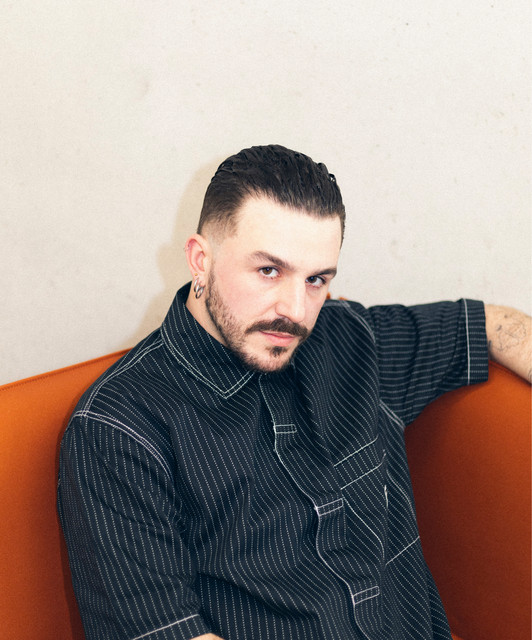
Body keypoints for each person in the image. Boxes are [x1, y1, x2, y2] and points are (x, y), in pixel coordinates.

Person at [58, 144, 531, 640]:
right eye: (269, 271)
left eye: (316, 279)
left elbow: (494, 326)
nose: (296, 311)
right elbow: (165, 631)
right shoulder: (118, 429)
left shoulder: (349, 338)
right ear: (200, 260)